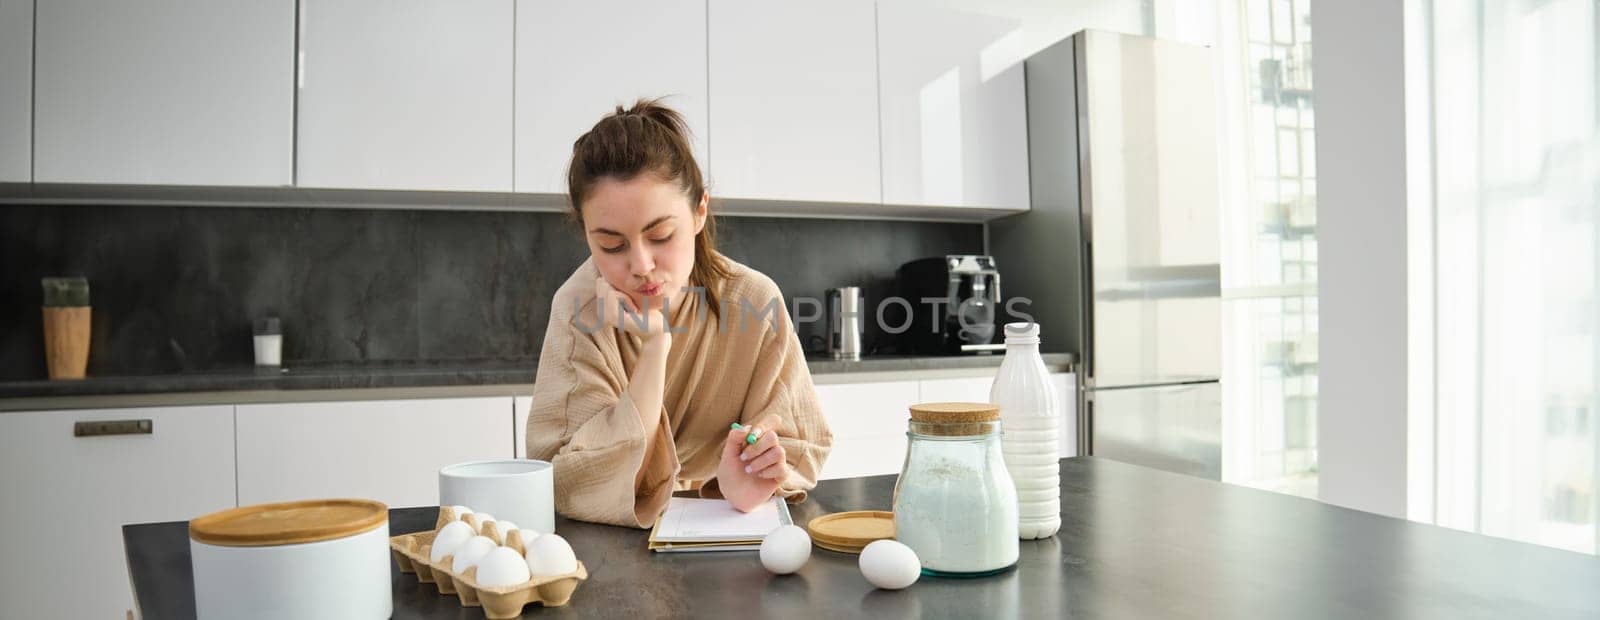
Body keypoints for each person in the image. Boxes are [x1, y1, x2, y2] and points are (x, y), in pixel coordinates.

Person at [526, 98, 833, 528]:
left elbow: (802, 442)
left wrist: (750, 475)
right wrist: (655, 344)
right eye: (611, 246)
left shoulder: (753, 300)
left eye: (661, 235)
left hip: (729, 530)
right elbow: (565, 478)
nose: (641, 265)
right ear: (586, 235)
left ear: (699, 212)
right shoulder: (579, 309)